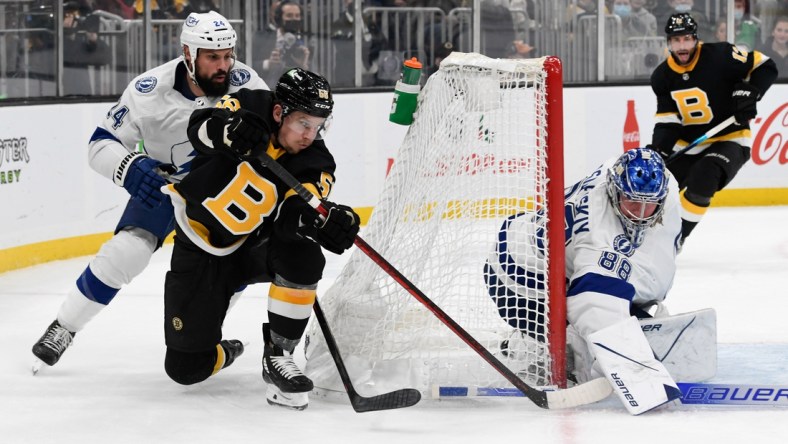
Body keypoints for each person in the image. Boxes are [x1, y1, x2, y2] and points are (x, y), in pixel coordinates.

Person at [31, 11, 267, 371]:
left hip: (221, 194)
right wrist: (129, 168)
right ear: (189, 55)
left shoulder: (247, 83)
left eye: (228, 55)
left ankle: (205, 333)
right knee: (126, 252)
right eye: (212, 57)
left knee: (229, 267)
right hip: (165, 187)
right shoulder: (149, 90)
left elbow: (278, 136)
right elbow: (100, 143)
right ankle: (64, 327)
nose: (224, 66)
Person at [164, 67, 360, 410]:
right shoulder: (250, 103)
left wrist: (320, 222)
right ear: (277, 111)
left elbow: (294, 214)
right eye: (303, 123)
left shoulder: (316, 161)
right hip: (200, 244)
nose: (309, 135)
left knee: (304, 252)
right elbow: (199, 130)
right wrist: (227, 130)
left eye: (318, 126)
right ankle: (227, 351)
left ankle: (278, 356)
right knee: (185, 369)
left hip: (254, 248)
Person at [485, 147, 683, 415]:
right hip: (516, 280)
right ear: (614, 192)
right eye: (632, 202)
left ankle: (541, 338)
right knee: (582, 357)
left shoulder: (635, 179)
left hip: (545, 254)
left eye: (650, 204)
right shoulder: (597, 234)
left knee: (622, 310)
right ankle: (532, 345)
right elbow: (593, 305)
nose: (641, 213)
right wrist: (630, 367)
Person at [648, 13, 777, 244]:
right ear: (668, 43)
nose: (682, 46)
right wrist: (659, 149)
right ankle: (641, 239)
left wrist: (750, 92)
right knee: (654, 187)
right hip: (688, 145)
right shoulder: (662, 76)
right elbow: (668, 122)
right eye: (676, 40)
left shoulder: (721, 56)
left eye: (686, 39)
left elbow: (766, 66)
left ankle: (675, 240)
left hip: (730, 138)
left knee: (704, 176)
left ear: (695, 39)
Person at [259, 0, 313, 87]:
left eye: (297, 16)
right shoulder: (261, 38)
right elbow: (249, 64)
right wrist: (268, 64)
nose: (294, 19)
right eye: (289, 15)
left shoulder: (308, 40)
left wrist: (304, 66)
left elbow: (316, 76)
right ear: (279, 18)